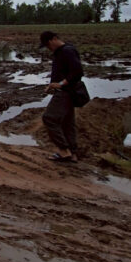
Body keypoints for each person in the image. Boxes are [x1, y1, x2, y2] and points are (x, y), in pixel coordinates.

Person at [39, 31, 83, 163]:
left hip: (66, 92)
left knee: (49, 118)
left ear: (54, 39)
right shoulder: (62, 51)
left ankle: (64, 150)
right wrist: (52, 85)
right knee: (67, 123)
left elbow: (77, 72)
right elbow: (64, 72)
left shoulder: (67, 51)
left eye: (48, 44)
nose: (48, 48)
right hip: (67, 91)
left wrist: (60, 84)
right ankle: (72, 153)